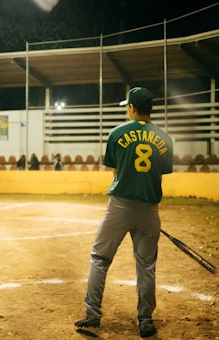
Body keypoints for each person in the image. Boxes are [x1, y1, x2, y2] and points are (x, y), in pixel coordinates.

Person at [74, 87, 173, 338]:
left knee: (100, 258)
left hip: (119, 206)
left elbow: (115, 172)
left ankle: (93, 314)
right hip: (149, 209)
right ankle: (145, 321)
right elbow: (158, 174)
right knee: (146, 266)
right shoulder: (165, 138)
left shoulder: (117, 133)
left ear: (131, 108)